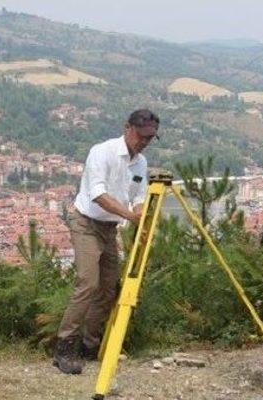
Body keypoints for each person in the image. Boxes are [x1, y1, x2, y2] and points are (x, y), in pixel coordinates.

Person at [53, 109, 160, 374]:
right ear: (127, 127)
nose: (144, 141)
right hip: (86, 224)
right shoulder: (102, 152)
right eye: (142, 135)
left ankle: (91, 344)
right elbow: (97, 194)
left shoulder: (141, 163)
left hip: (109, 228)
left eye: (150, 137)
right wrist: (130, 216)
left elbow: (138, 195)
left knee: (108, 289)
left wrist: (139, 211)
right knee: (87, 283)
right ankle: (64, 347)